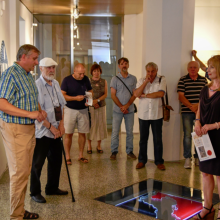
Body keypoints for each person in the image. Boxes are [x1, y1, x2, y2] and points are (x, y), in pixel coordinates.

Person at [0, 44, 47, 220]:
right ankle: (15, 216)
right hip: (15, 129)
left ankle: (19, 210)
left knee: (25, 171)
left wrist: (39, 111)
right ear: (23, 57)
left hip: (28, 129)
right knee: (19, 174)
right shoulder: (10, 74)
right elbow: (2, 104)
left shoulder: (27, 75)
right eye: (34, 58)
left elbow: (30, 99)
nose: (36, 62)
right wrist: (30, 114)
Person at [30, 57, 68, 204]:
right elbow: (38, 113)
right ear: (40, 69)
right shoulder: (36, 85)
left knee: (56, 160)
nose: (51, 70)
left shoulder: (56, 83)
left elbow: (61, 106)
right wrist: (52, 128)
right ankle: (34, 192)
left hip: (57, 130)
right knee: (37, 164)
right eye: (48, 68)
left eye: (53, 67)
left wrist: (62, 125)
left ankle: (52, 187)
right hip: (43, 131)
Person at [194, 55, 220, 219]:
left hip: (218, 136)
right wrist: (197, 121)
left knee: (219, 174)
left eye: (211, 67)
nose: (207, 70)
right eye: (208, 67)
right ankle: (208, 207)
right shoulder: (205, 89)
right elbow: (199, 109)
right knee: (205, 173)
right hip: (204, 137)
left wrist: (214, 125)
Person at [134, 62, 166, 170]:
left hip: (157, 114)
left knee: (157, 139)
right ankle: (142, 160)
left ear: (156, 70)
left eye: (153, 71)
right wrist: (145, 82)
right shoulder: (141, 80)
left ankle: (159, 161)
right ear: (146, 71)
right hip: (143, 114)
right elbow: (136, 94)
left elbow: (160, 94)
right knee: (143, 139)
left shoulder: (162, 79)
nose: (150, 73)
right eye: (148, 71)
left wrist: (145, 95)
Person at [177, 61, 207, 169]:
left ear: (198, 69)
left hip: (201, 113)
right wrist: (191, 107)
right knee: (187, 136)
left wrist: (198, 107)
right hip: (186, 112)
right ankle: (187, 158)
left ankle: (199, 157)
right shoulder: (182, 80)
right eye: (190, 67)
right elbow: (181, 96)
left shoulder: (203, 80)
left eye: (195, 67)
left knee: (200, 134)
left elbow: (206, 97)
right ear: (187, 68)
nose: (192, 69)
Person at [61, 63, 93, 164]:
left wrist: (89, 101)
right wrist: (75, 98)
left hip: (83, 109)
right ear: (74, 71)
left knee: (82, 133)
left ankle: (81, 155)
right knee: (69, 133)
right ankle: (67, 156)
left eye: (83, 73)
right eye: (80, 74)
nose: (82, 76)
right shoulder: (67, 80)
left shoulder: (86, 79)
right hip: (70, 109)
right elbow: (63, 96)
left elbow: (90, 90)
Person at [110, 57, 137, 160]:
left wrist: (127, 106)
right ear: (119, 66)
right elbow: (113, 95)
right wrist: (122, 107)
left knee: (129, 132)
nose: (124, 65)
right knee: (115, 132)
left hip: (129, 110)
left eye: (126, 63)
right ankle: (114, 151)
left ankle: (129, 151)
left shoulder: (133, 78)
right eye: (122, 64)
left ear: (128, 65)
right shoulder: (114, 79)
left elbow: (134, 94)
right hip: (117, 110)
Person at [87, 64, 108, 154]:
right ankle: (89, 146)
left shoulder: (104, 81)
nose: (96, 73)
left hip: (101, 106)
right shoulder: (88, 81)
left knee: (100, 125)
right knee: (91, 125)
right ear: (92, 72)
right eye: (94, 71)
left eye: (98, 71)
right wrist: (93, 102)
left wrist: (97, 101)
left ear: (100, 72)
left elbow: (105, 94)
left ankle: (99, 145)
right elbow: (87, 94)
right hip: (90, 106)